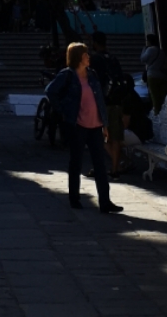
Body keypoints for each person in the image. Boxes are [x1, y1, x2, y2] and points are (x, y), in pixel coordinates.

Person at [45, 43, 124, 214]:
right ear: (79, 57)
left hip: (95, 126)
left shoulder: (92, 75)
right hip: (78, 126)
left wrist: (105, 124)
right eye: (86, 55)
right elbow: (51, 91)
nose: (89, 58)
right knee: (76, 162)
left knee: (100, 165)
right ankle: (74, 198)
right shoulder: (67, 75)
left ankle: (105, 202)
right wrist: (64, 110)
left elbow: (99, 100)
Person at [89, 31, 127, 176]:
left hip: (102, 102)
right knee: (115, 137)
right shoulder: (113, 58)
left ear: (95, 43)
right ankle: (116, 168)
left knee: (98, 136)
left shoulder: (95, 59)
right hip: (116, 101)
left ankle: (102, 166)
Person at [140, 37, 167, 113]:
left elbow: (142, 59)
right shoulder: (161, 52)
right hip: (162, 76)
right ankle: (165, 113)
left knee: (155, 97)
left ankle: (157, 113)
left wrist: (144, 49)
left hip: (153, 76)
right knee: (162, 97)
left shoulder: (150, 50)